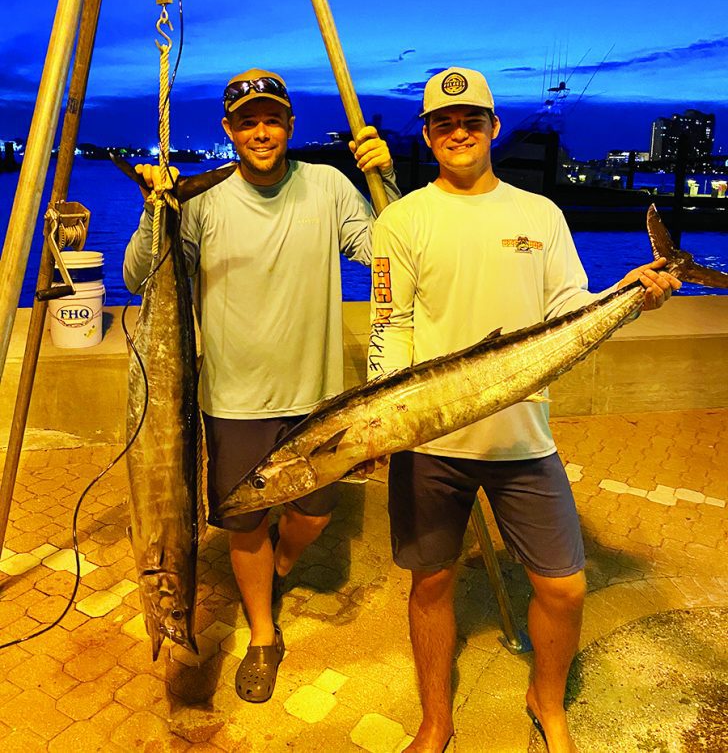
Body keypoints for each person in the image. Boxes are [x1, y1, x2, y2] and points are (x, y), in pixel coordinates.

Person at [367, 67, 680, 753]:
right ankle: (436, 717)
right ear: (426, 132)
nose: (458, 132)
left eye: (471, 119)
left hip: (523, 440)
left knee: (564, 586)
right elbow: (390, 324)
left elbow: (568, 306)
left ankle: (546, 699)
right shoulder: (401, 220)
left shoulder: (541, 215)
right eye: (444, 122)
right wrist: (390, 414)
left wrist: (625, 293)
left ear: (493, 126)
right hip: (432, 440)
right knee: (431, 583)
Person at [124, 67, 399, 703]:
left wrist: (384, 180)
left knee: (314, 513)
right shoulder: (202, 201)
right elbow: (142, 277)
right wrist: (153, 209)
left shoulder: (328, 186)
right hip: (231, 399)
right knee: (245, 526)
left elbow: (384, 249)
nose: (261, 131)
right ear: (229, 129)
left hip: (317, 395)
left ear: (290, 125)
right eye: (247, 122)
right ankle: (264, 633)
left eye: (272, 118)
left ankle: (276, 569)